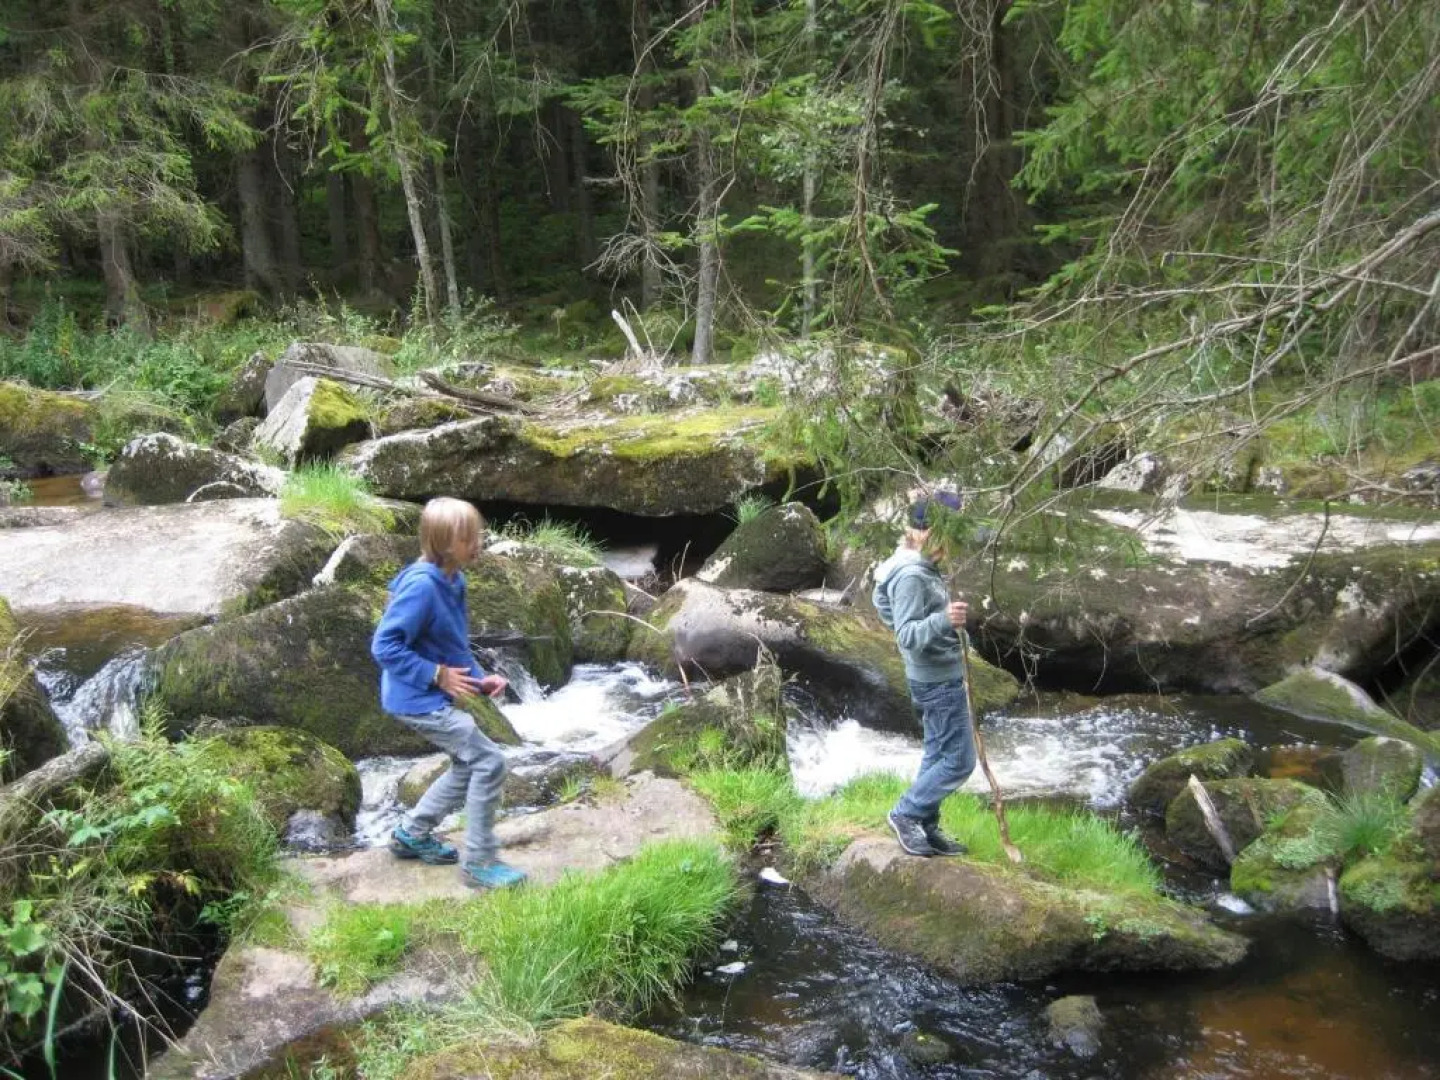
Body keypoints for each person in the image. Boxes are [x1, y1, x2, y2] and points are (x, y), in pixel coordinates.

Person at [370, 496, 525, 890]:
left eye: (478, 534)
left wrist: (477, 678)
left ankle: (412, 833)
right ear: (441, 542)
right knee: (489, 762)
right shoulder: (422, 587)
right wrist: (436, 675)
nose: (478, 543)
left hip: (428, 694)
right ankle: (480, 861)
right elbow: (384, 646)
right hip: (414, 699)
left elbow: (452, 644)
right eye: (467, 537)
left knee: (466, 764)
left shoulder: (454, 579)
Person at [871, 490, 976, 857]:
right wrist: (944, 620)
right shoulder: (912, 575)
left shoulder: (918, 567)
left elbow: (881, 601)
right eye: (950, 536)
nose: (955, 546)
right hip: (935, 679)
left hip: (940, 674)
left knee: (936, 754)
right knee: (960, 760)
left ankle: (926, 826)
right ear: (923, 533)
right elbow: (907, 635)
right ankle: (906, 813)